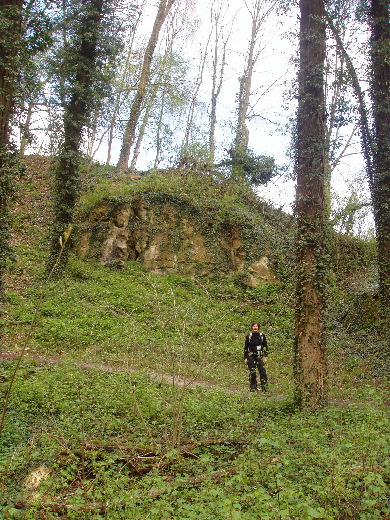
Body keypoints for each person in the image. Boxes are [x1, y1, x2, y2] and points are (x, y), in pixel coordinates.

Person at [244, 322, 268, 392]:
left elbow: (265, 347)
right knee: (252, 372)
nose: (255, 327)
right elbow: (246, 347)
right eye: (254, 326)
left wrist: (265, 357)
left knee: (263, 372)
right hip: (251, 356)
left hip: (260, 356)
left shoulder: (262, 336)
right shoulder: (249, 336)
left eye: (256, 326)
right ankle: (253, 388)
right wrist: (245, 358)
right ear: (252, 327)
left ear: (258, 328)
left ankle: (264, 388)